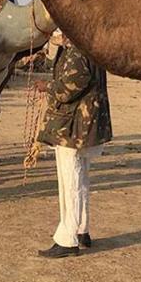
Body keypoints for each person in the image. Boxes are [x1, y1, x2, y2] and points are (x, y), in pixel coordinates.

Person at [36, 31, 113, 258]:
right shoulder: (90, 45)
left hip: (74, 125)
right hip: (84, 123)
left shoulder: (77, 49)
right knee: (80, 178)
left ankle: (67, 238)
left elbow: (71, 84)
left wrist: (47, 87)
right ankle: (81, 229)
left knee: (71, 179)